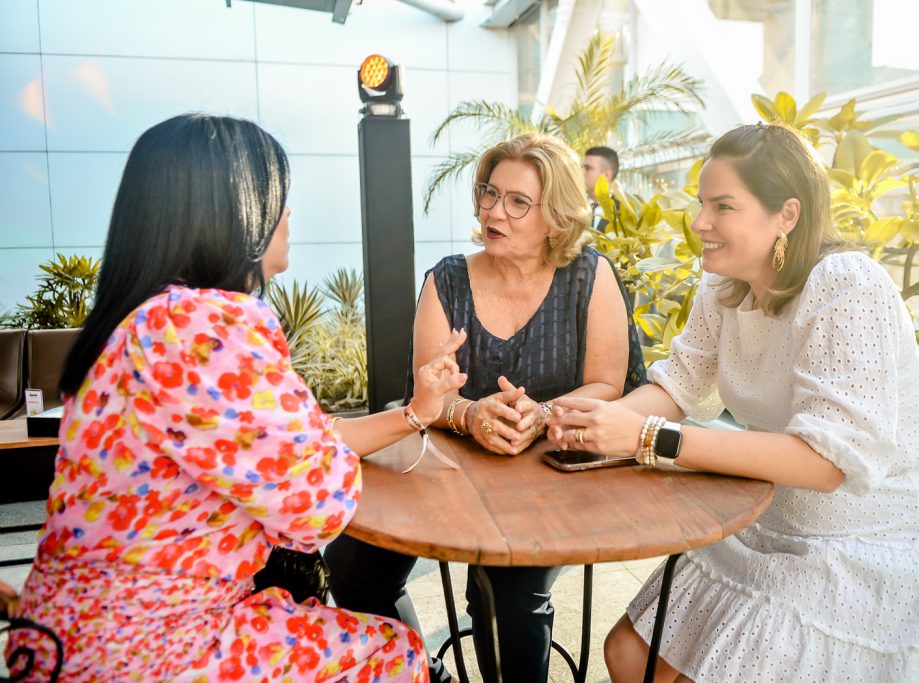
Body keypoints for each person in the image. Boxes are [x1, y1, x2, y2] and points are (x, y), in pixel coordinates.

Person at [7, 113, 470, 682]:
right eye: (278, 196)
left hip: (66, 634)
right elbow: (314, 504)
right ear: (234, 211)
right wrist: (325, 457)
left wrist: (419, 409)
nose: (290, 214)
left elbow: (305, 442)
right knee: (393, 653)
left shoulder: (137, 322)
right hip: (150, 645)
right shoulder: (203, 324)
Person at [547, 122, 919, 682]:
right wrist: (577, 419)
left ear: (786, 215)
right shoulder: (725, 285)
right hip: (772, 521)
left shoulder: (847, 286)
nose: (700, 224)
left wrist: (647, 438)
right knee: (628, 655)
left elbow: (827, 463)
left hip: (872, 543)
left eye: (723, 206)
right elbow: (679, 386)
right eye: (701, 204)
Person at [325, 133, 648, 683]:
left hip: (552, 477)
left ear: (557, 217)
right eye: (489, 193)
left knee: (505, 596)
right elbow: (430, 395)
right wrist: (470, 415)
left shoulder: (589, 277)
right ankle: (418, 670)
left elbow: (606, 383)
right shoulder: (447, 278)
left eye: (518, 202)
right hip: (447, 471)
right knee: (352, 566)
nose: (494, 211)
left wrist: (540, 416)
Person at [583, 146, 619, 232]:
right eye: (582, 167)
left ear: (606, 175)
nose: (582, 173)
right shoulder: (574, 207)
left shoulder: (624, 213)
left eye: (588, 168)